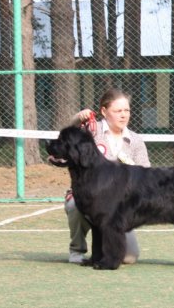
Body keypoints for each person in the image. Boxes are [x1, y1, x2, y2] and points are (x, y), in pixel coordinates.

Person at [64, 88, 150, 264]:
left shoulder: (136, 140)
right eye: (118, 111)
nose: (124, 115)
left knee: (129, 257)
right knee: (74, 204)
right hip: (90, 197)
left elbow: (147, 175)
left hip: (120, 207)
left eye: (127, 110)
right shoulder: (92, 131)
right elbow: (67, 138)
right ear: (104, 111)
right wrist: (76, 119)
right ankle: (77, 250)